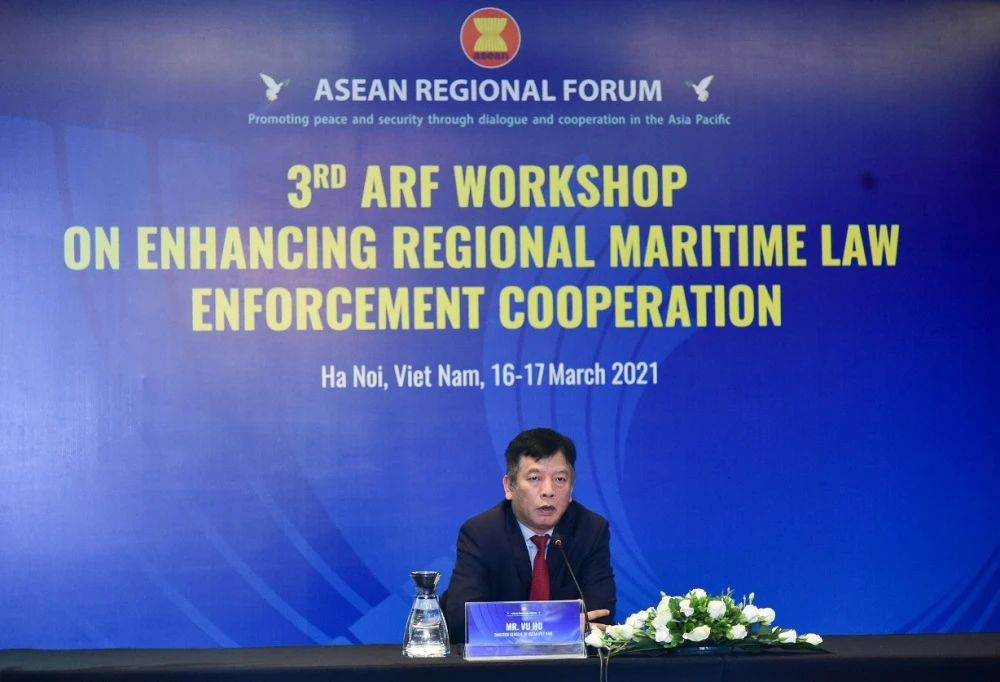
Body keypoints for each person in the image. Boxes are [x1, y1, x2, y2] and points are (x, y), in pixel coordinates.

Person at [442, 427, 616, 643]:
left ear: (571, 488)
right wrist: (557, 627)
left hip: (568, 663)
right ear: (509, 486)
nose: (548, 491)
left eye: (560, 479)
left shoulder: (590, 530)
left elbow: (601, 618)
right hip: (500, 663)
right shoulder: (482, 533)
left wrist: (511, 626)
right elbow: (462, 621)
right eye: (535, 478)